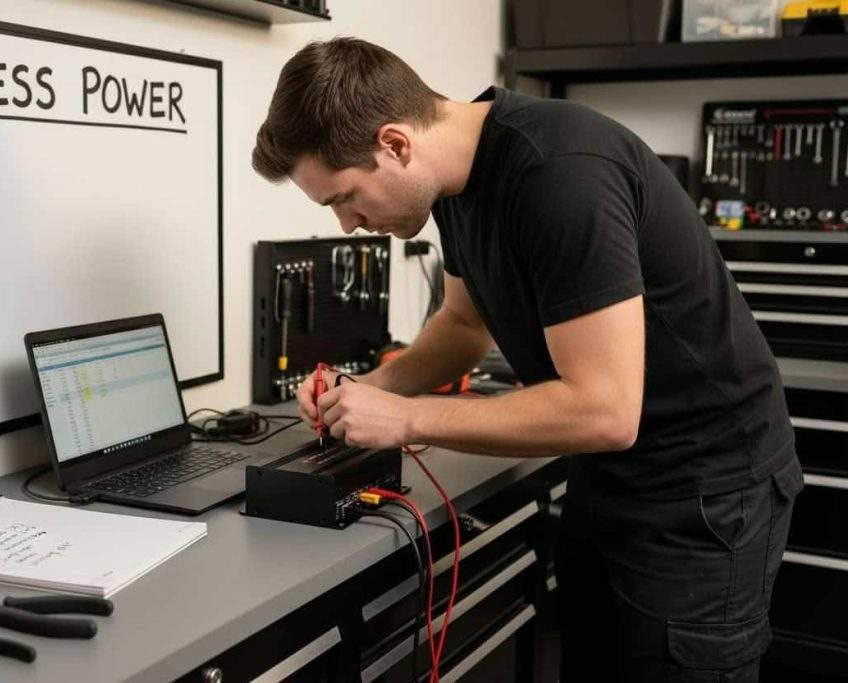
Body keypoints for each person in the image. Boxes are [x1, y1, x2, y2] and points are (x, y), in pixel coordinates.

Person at [251, 37, 802, 681]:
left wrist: (406, 419)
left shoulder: (559, 174)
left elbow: (605, 411)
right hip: (614, 476)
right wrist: (368, 388)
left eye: (344, 198)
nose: (347, 224)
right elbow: (464, 325)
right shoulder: (453, 182)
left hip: (706, 493)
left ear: (395, 144)